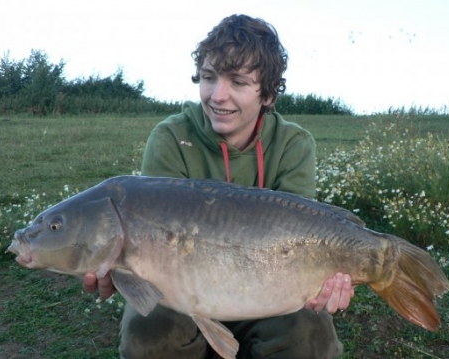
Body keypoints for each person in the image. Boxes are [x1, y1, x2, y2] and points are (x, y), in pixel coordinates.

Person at [84, 14, 354, 359]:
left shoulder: (293, 144)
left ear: (268, 93)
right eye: (209, 78)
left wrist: (324, 281)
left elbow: (306, 239)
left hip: (269, 288)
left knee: (311, 337)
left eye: (238, 82)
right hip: (178, 292)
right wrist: (119, 268)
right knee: (148, 336)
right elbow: (145, 247)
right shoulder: (171, 139)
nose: (218, 95)